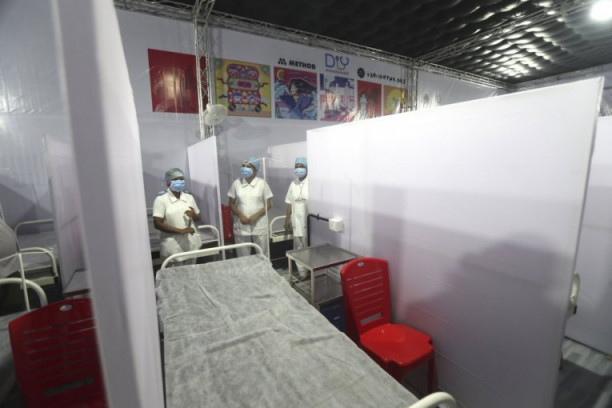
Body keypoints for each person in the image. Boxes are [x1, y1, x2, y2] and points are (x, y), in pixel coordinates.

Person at [152, 168, 202, 265]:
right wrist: (181, 231)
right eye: (175, 179)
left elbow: (198, 217)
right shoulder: (161, 199)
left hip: (190, 243)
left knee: (191, 271)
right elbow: (157, 223)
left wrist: (194, 215)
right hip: (172, 246)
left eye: (181, 178)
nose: (179, 181)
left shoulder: (189, 197)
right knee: (174, 273)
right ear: (168, 183)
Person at [227, 157, 273, 257]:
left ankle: (264, 267)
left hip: (259, 223)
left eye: (248, 167)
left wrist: (255, 216)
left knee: (263, 254)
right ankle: (245, 268)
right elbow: (231, 204)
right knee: (242, 255)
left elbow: (269, 204)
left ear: (255, 171)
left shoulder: (262, 184)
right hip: (241, 223)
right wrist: (240, 215)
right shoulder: (236, 183)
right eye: (244, 166)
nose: (245, 168)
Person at [284, 157, 309, 279]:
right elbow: (289, 202)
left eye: (301, 166)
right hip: (296, 221)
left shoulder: (311, 183)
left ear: (306, 168)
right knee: (298, 247)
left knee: (309, 247)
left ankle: (311, 272)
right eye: (296, 167)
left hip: (308, 221)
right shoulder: (293, 184)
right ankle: (302, 274)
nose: (298, 169)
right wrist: (287, 219)